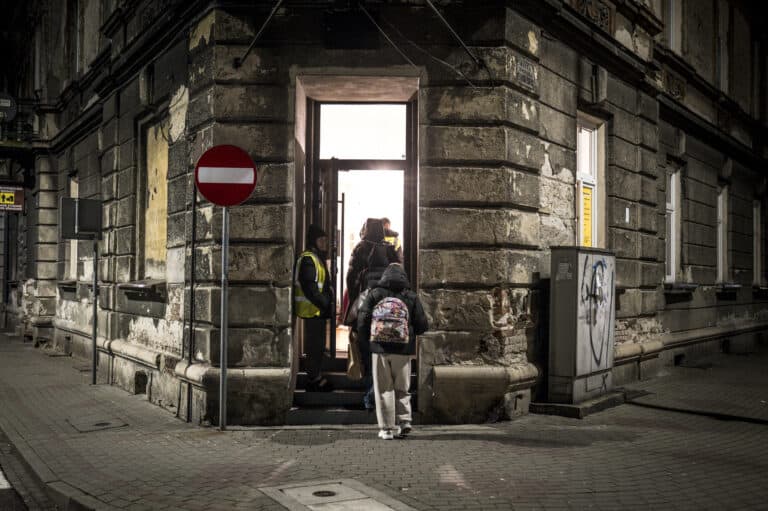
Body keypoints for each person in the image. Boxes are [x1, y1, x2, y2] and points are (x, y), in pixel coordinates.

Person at [357, 263, 428, 440]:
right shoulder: (411, 296)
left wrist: (369, 340)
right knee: (403, 388)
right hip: (403, 350)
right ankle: (404, 421)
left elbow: (362, 320)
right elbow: (422, 325)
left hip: (380, 349)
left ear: (385, 276)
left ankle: (387, 429)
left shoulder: (375, 294)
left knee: (384, 389)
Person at [346, 218, 400, 409]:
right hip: (387, 309)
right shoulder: (390, 250)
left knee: (367, 351)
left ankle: (370, 393)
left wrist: (355, 297)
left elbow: (351, 278)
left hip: (366, 309)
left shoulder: (360, 249)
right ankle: (382, 393)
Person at [294, 224, 334, 392]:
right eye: (321, 240)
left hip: (317, 310)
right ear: (314, 241)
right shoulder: (309, 258)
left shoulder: (316, 257)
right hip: (313, 310)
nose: (325, 243)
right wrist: (325, 302)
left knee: (318, 347)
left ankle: (316, 377)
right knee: (314, 347)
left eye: (325, 240)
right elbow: (310, 287)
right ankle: (313, 380)